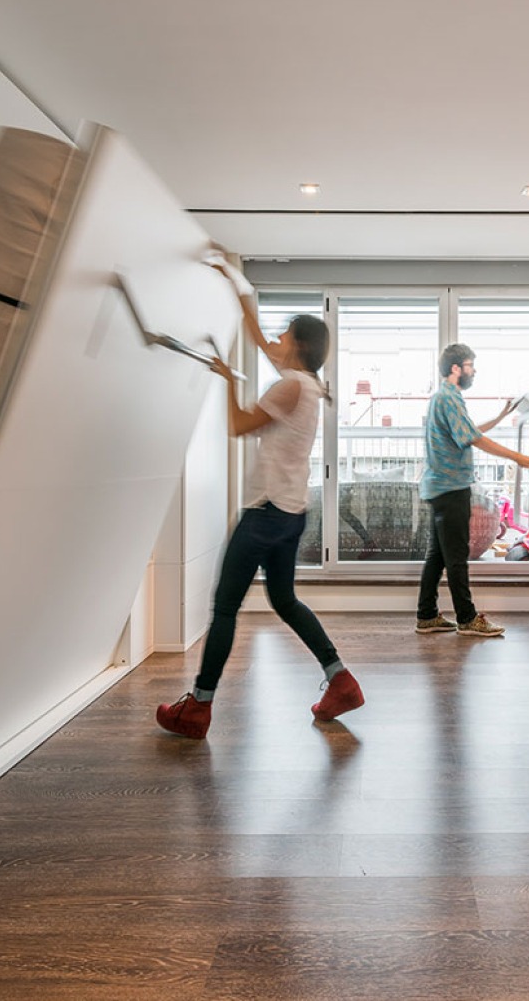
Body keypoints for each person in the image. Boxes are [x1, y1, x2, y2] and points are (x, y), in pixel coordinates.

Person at [156, 263, 362, 738]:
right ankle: (341, 681)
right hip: (290, 512)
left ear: (300, 346)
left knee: (225, 607)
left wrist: (228, 379)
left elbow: (238, 425)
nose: (276, 338)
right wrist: (237, 286)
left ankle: (198, 709)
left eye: (284, 335)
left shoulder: (288, 386)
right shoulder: (303, 382)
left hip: (265, 513)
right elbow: (260, 338)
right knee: (284, 599)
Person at [415, 343, 529, 637]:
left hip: (439, 487)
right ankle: (467, 619)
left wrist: (499, 416)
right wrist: (519, 457)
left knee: (437, 556)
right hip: (451, 488)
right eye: (470, 365)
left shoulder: (444, 398)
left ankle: (427, 615)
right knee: (456, 556)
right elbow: (472, 439)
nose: (474, 371)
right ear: (456, 368)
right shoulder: (449, 399)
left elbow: (467, 431)